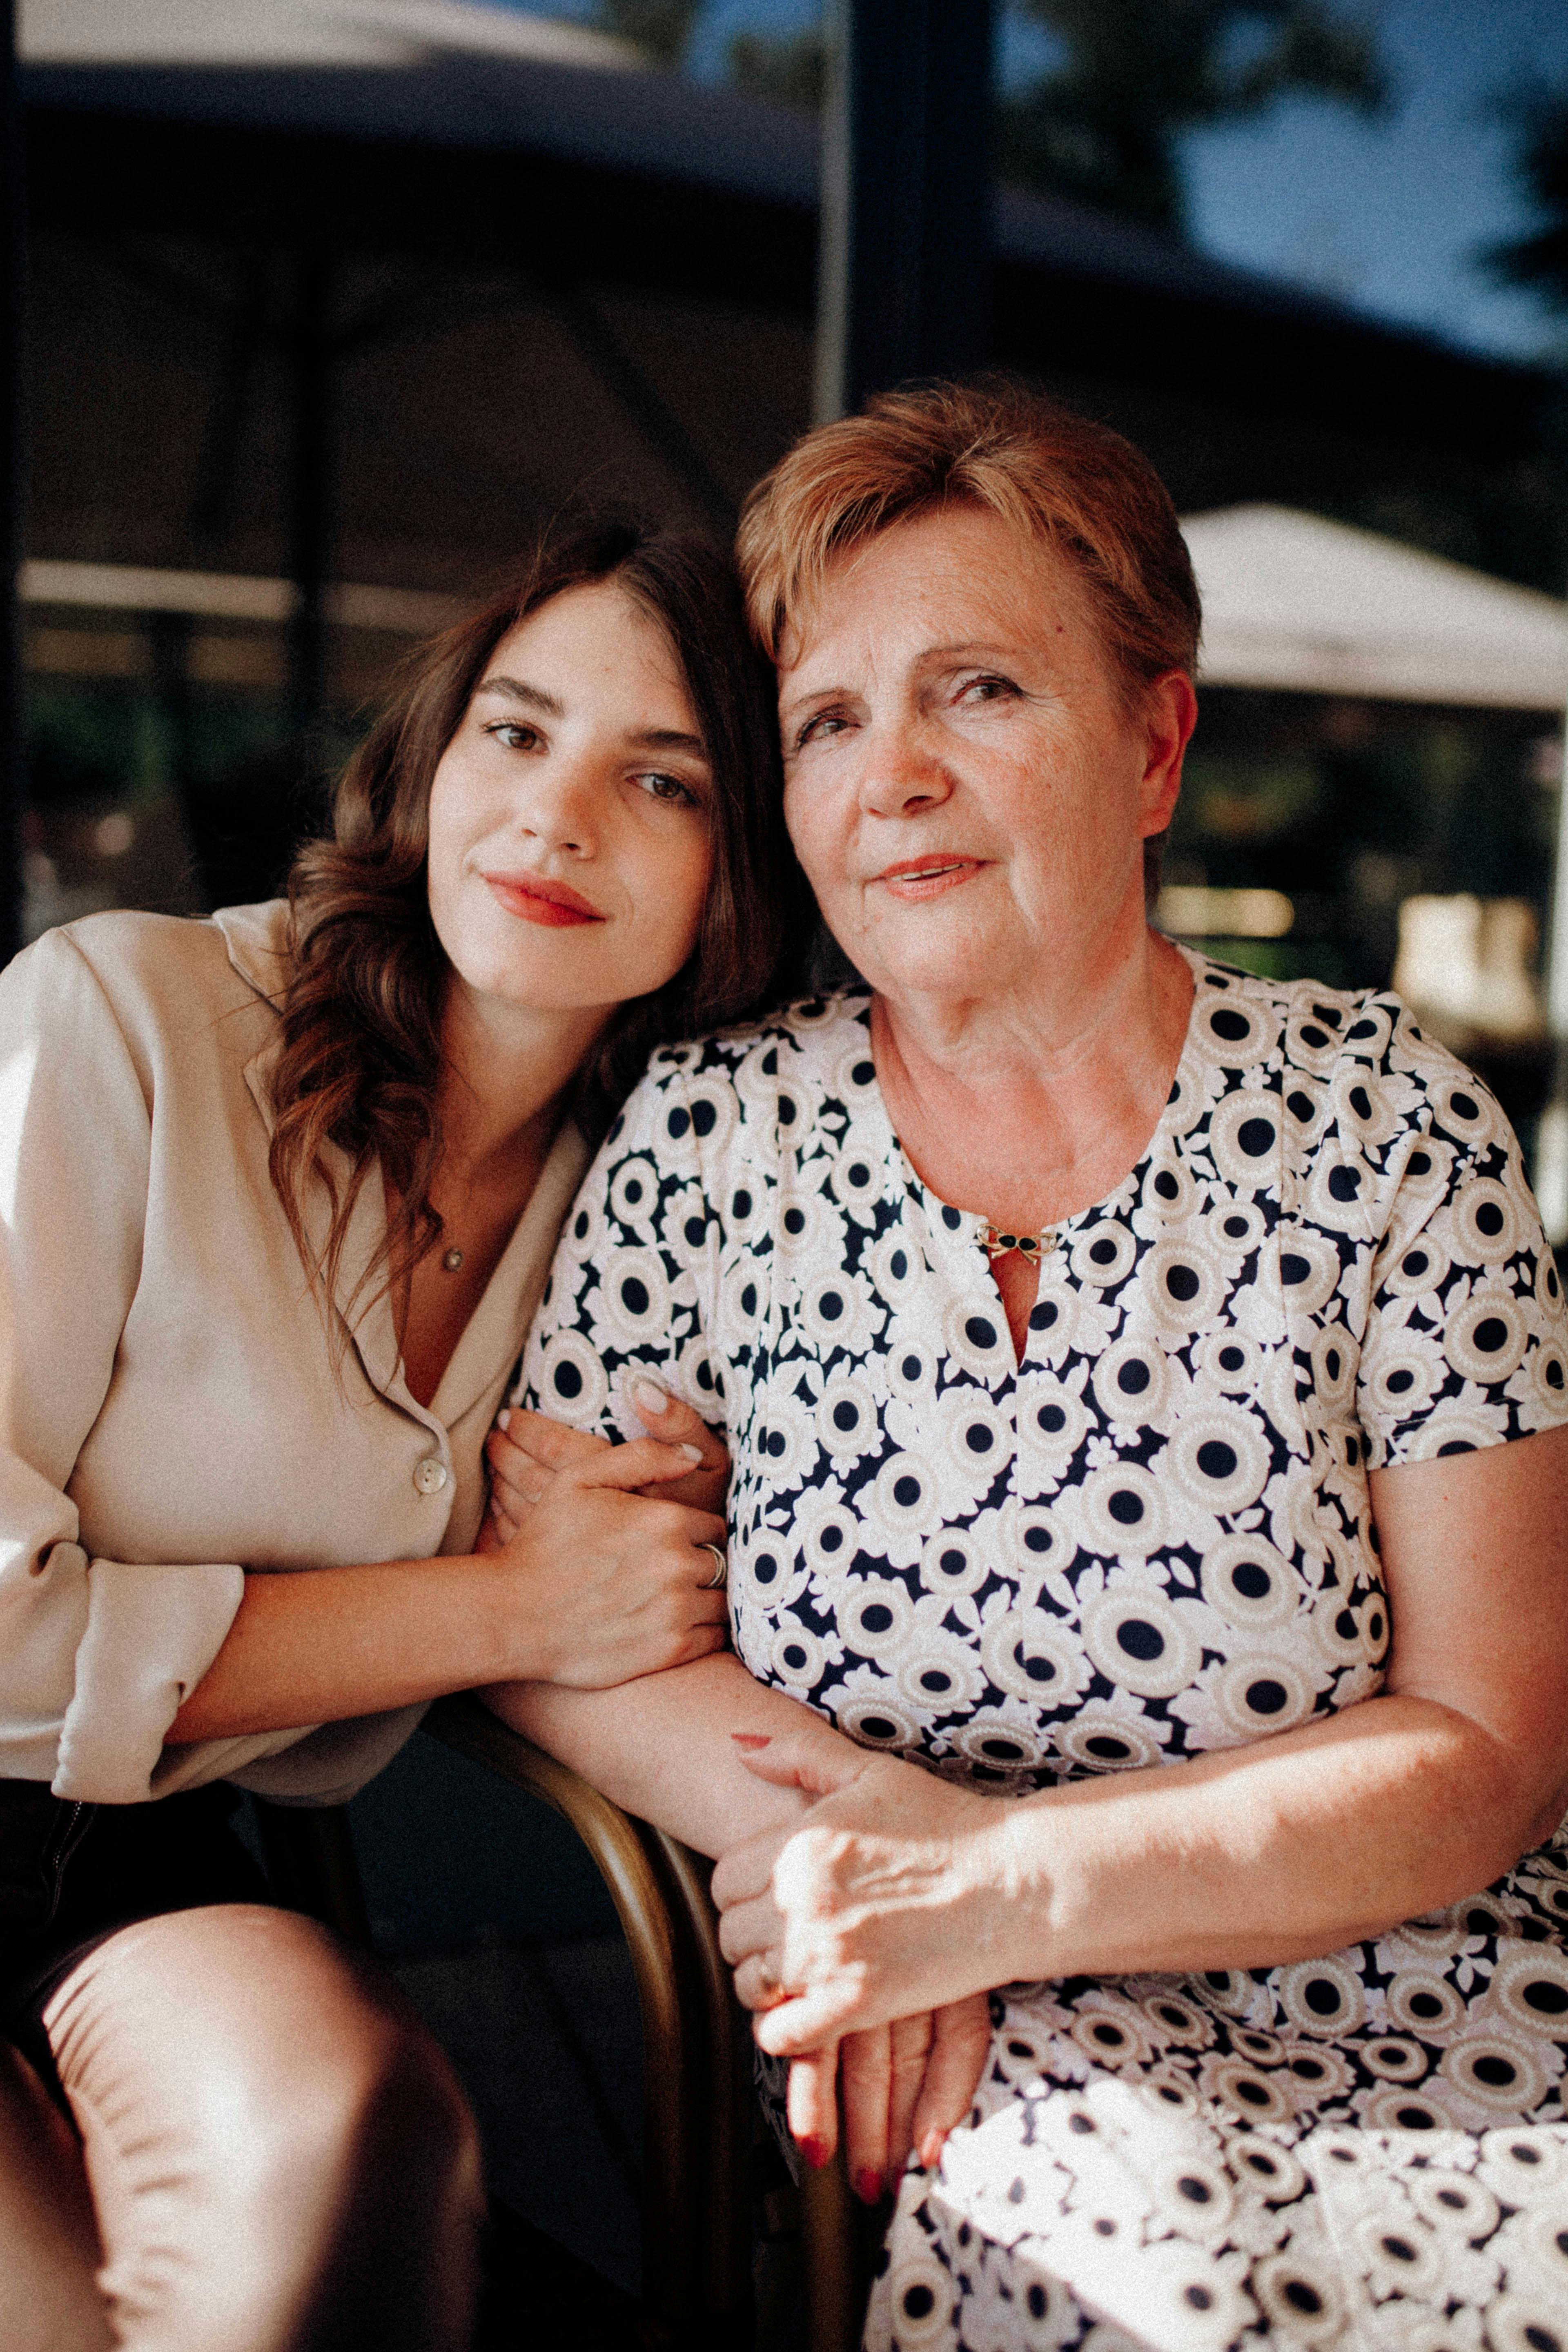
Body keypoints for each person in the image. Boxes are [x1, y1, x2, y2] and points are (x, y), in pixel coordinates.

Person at [486, 382, 1568, 2349]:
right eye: (826, 721)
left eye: (976, 690)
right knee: (1142, 2289)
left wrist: (991, 1886)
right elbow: (570, 1629)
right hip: (939, 2026)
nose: (888, 775)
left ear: (1157, 746)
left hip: (1419, 1978)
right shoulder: (712, 1140)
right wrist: (851, 1856)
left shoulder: (1393, 1125)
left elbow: (1494, 1741)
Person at [0, 517, 797, 2352]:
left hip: (125, 1872)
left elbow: (654, 1590)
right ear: (433, 763)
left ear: (744, 867)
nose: (555, 813)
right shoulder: (123, 1020)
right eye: (516, 734)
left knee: (343, 2138)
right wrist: (516, 1608)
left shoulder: (637, 1215)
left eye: (659, 778)